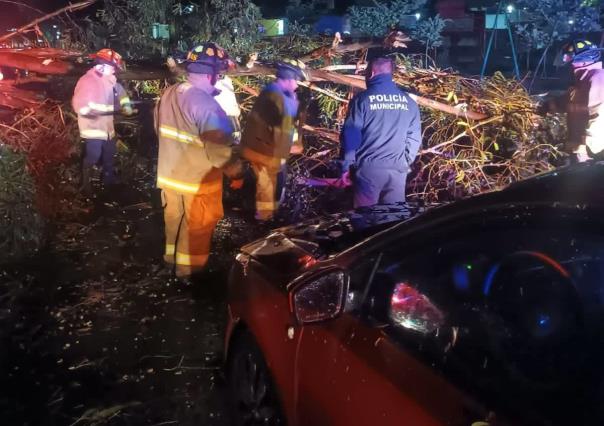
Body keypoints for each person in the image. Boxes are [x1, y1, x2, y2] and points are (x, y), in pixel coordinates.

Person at [155, 42, 242, 279]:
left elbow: (158, 129)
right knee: (197, 228)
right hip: (197, 184)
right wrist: (237, 174)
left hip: (169, 176)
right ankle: (188, 273)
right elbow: (219, 153)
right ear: (211, 74)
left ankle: (170, 261)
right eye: (219, 72)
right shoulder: (208, 106)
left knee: (173, 221)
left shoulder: (169, 93)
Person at [340, 57, 421, 208]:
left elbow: (351, 136)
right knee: (393, 223)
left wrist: (346, 166)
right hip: (397, 171)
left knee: (366, 223)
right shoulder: (409, 103)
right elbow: (414, 139)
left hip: (368, 171)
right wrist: (404, 162)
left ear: (371, 73)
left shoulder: (362, 101)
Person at [240, 59, 306, 221]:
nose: (297, 86)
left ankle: (267, 214)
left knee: (268, 184)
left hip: (259, 147)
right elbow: (282, 130)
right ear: (288, 79)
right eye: (295, 81)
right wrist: (289, 149)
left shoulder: (271, 91)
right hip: (264, 150)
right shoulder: (280, 99)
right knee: (267, 185)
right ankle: (264, 218)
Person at [72, 48, 133, 194]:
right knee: (93, 155)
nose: (114, 71)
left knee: (109, 152)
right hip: (93, 128)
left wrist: (126, 105)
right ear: (101, 66)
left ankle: (108, 179)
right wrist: (93, 112)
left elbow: (121, 93)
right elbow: (79, 105)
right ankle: (85, 183)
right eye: (113, 67)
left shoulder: (110, 81)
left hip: (107, 128)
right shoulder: (88, 81)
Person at [541, 39, 604, 162]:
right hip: (580, 152)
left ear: (582, 60)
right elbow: (566, 102)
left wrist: (587, 146)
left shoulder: (598, 79)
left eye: (570, 61)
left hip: (595, 154)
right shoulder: (581, 83)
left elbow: (600, 116)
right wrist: (546, 106)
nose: (568, 66)